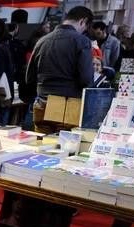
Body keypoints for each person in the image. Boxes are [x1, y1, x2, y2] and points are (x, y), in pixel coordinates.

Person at [27, 6, 94, 134]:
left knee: (41, 148)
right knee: (65, 149)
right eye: (85, 27)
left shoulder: (42, 41)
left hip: (42, 104)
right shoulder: (82, 41)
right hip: (68, 106)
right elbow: (86, 79)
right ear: (83, 21)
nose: (83, 31)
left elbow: (29, 77)